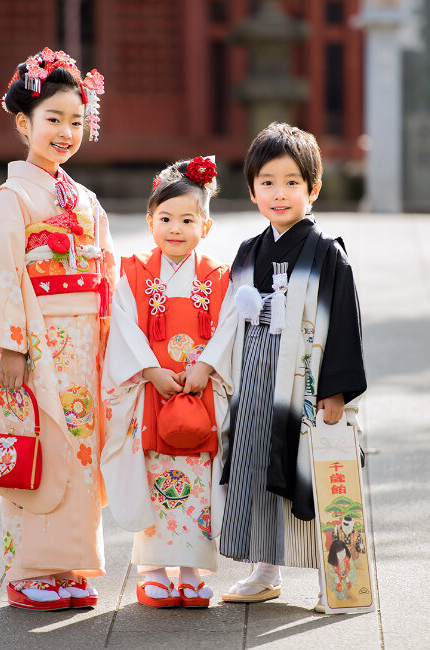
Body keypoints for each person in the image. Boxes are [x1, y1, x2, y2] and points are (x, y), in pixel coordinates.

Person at [0, 47, 116, 611]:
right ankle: (27, 570)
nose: (65, 131)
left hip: (85, 343)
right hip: (38, 343)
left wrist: (116, 337)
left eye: (76, 121)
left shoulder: (83, 199)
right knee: (36, 446)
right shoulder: (9, 200)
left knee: (82, 448)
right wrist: (7, 345)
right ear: (24, 123)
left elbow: (106, 270)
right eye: (53, 119)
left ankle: (69, 563)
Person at [218, 123, 366, 611]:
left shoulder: (328, 255)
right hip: (256, 379)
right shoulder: (248, 252)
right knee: (256, 468)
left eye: (291, 182)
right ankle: (265, 568)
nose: (279, 194)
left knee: (311, 472)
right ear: (252, 189)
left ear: (313, 188)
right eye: (267, 182)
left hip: (304, 385)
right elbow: (227, 324)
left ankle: (333, 575)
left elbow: (342, 322)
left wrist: (335, 393)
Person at [100, 157, 237, 608]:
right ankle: (152, 568)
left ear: (206, 226)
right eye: (165, 218)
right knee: (153, 471)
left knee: (198, 473)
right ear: (149, 221)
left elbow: (230, 326)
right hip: (149, 394)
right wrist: (151, 370)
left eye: (187, 219)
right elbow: (122, 326)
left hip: (199, 394)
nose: (175, 228)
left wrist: (206, 367)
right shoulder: (133, 272)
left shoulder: (219, 277)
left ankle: (192, 569)